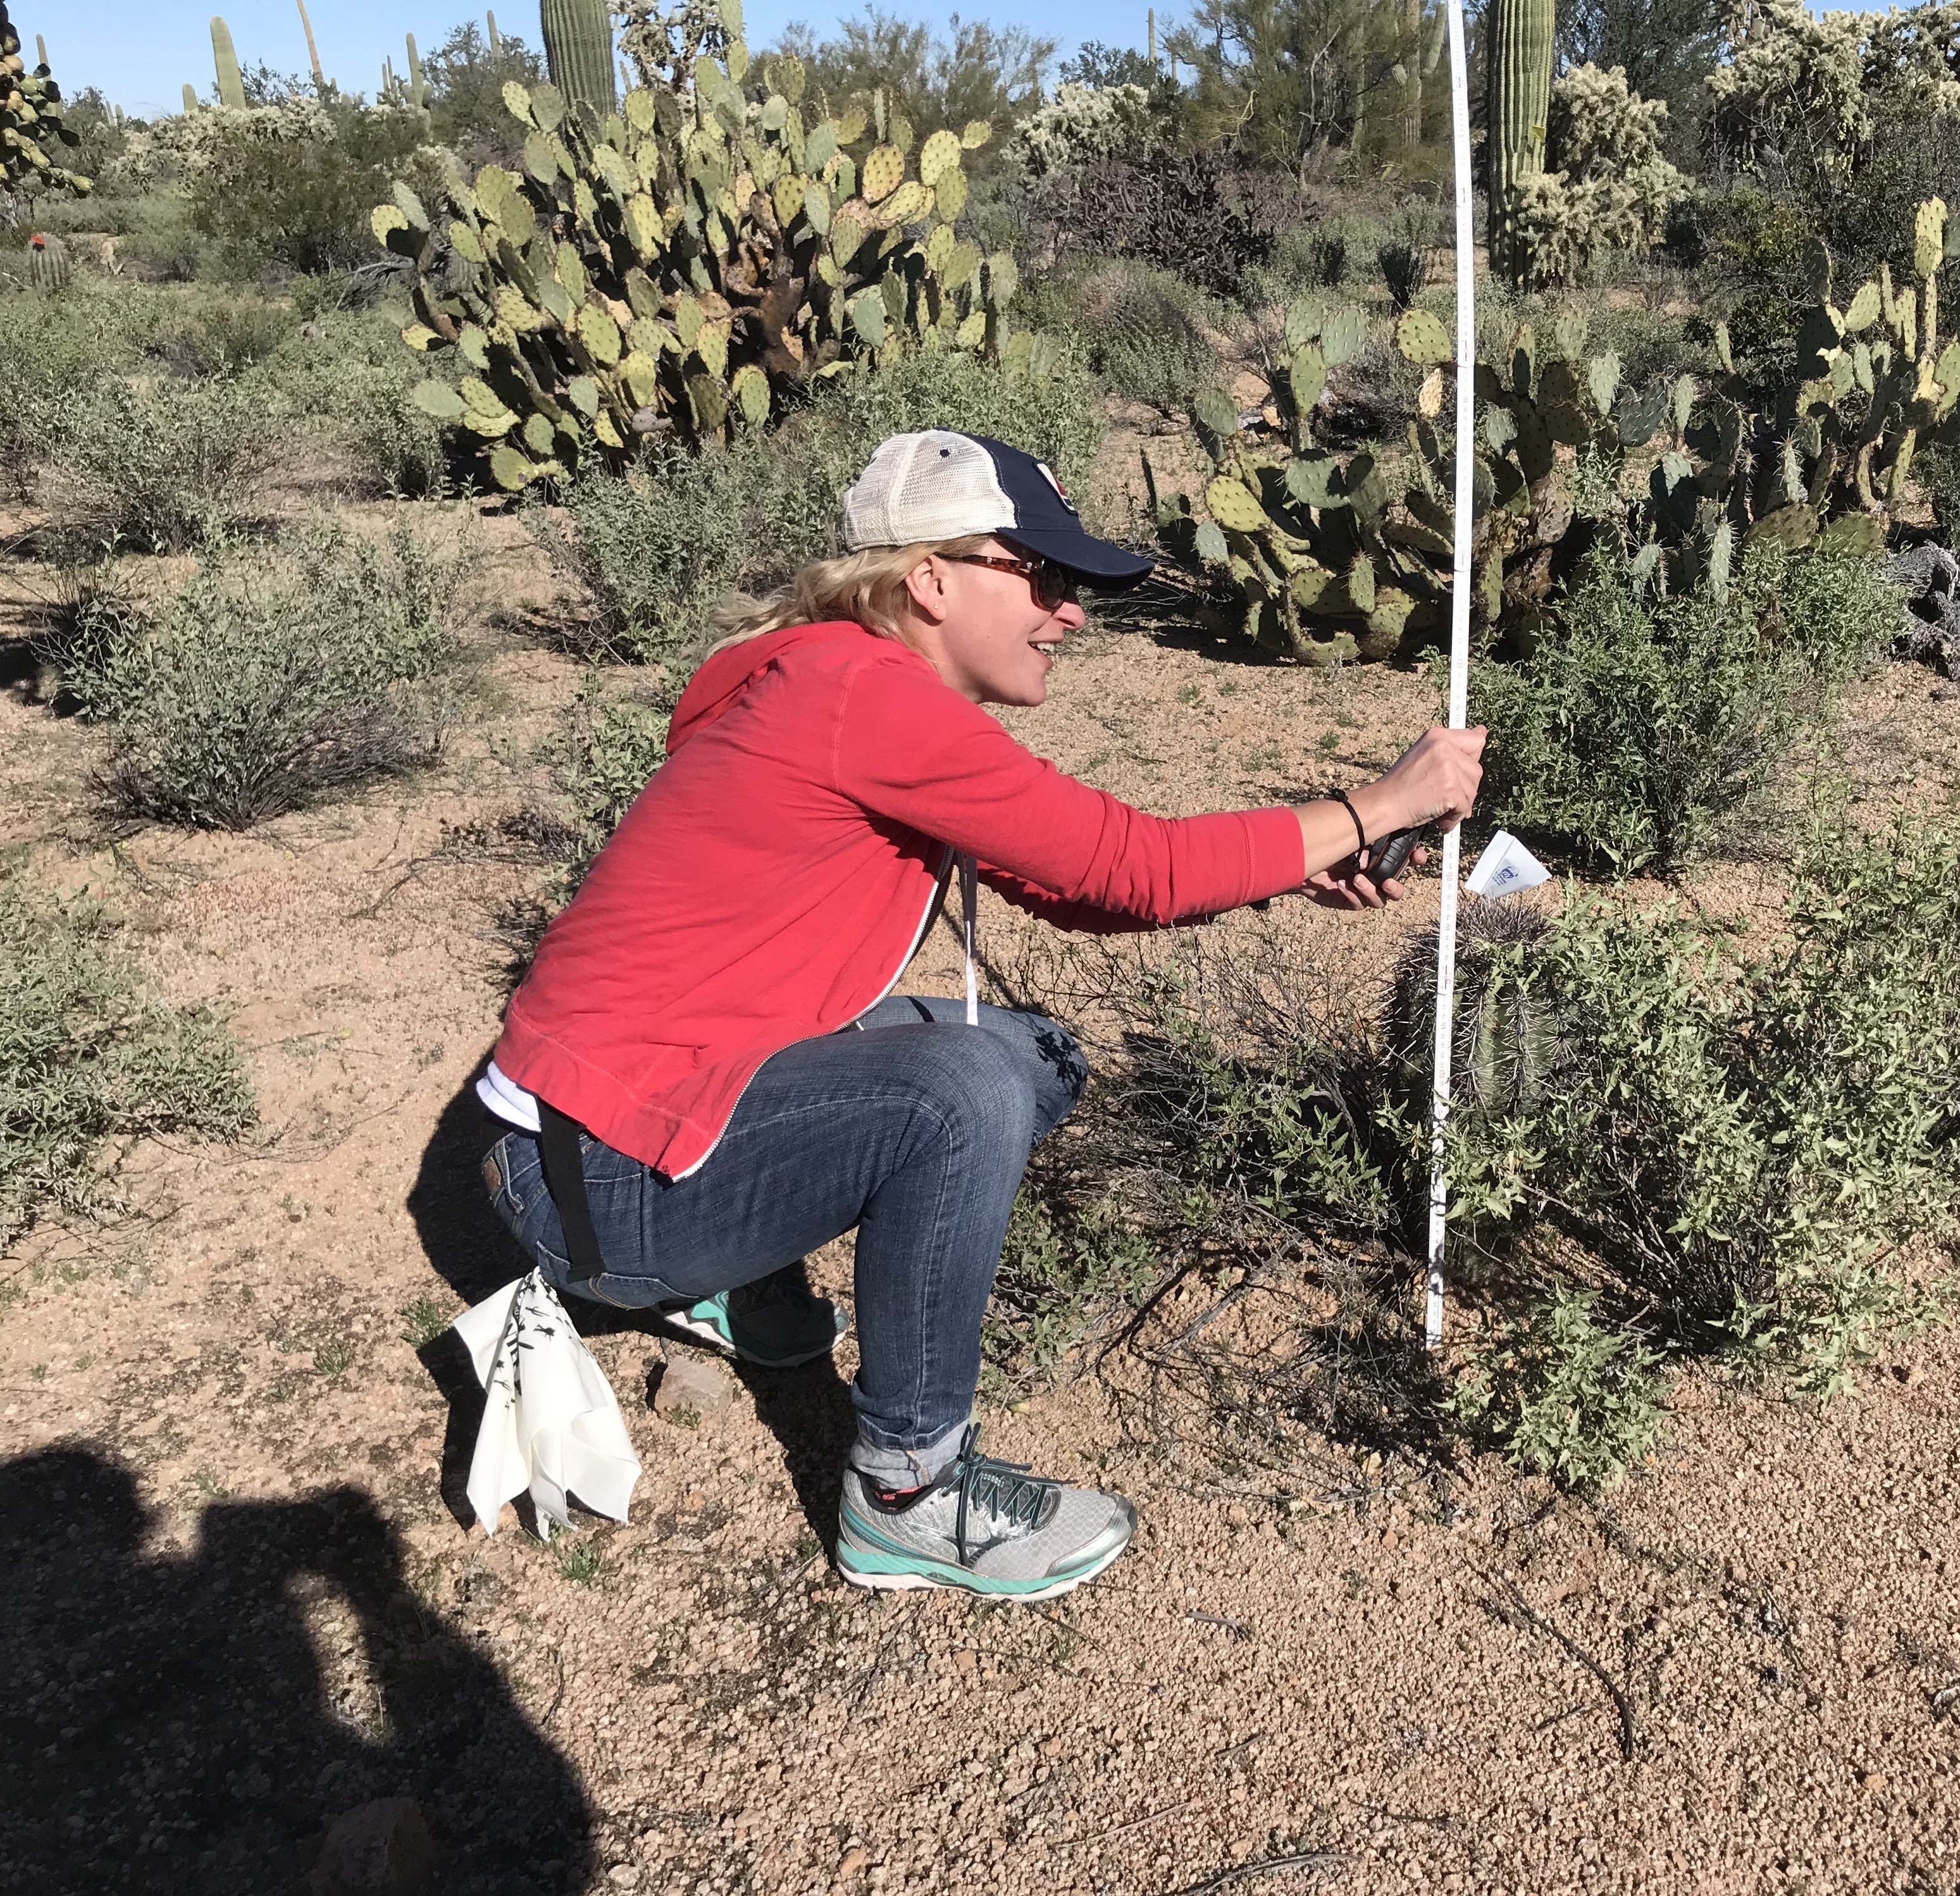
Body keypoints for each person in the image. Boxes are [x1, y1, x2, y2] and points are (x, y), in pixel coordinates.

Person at [475, 429, 1484, 1601]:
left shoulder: (830, 677)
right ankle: (907, 1493)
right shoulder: (863, 699)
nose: (1071, 614)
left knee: (1029, 1054)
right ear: (933, 579)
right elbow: (1131, 868)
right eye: (1044, 579)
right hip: (595, 1185)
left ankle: (739, 1263)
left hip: (607, 1140)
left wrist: (1306, 853)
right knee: (967, 1091)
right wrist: (1380, 801)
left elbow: (1077, 890)